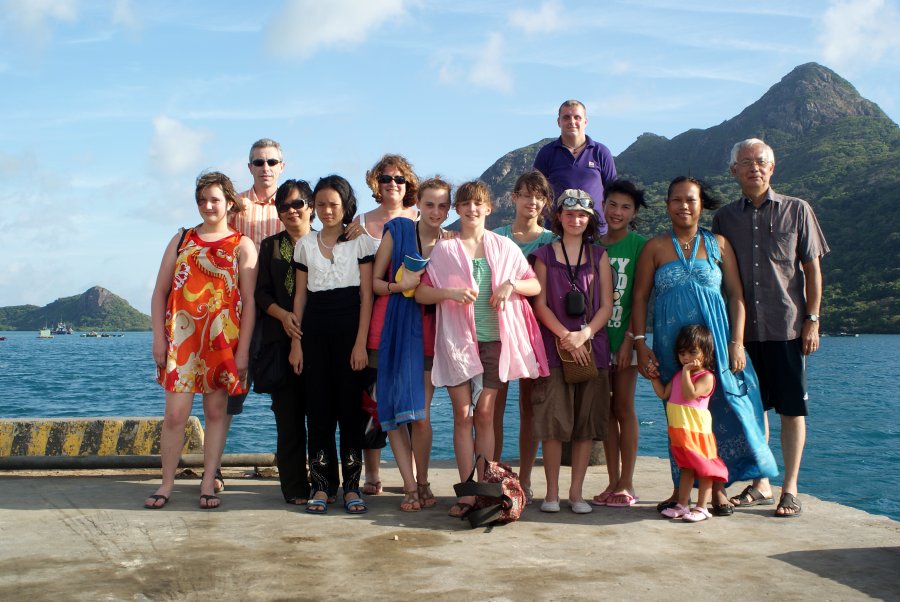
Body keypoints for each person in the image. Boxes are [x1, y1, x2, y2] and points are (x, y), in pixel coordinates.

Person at [632, 176, 778, 515]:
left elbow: (736, 296)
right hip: (672, 345)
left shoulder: (718, 244)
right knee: (680, 414)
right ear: (667, 205)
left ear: (701, 205)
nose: (683, 205)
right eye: (677, 199)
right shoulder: (654, 247)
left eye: (691, 200)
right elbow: (639, 298)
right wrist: (640, 344)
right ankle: (679, 490)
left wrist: (737, 342)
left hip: (715, 342)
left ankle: (718, 488)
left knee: (722, 412)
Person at [415, 180, 548, 519]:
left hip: (495, 342)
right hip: (457, 342)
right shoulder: (445, 250)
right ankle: (467, 493)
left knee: (485, 414)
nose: (472, 209)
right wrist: (449, 293)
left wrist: (511, 284)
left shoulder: (505, 247)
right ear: (457, 209)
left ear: (489, 208)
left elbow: (534, 284)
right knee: (463, 416)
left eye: (478, 204)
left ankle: (486, 490)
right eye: (465, 204)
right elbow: (421, 293)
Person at [713, 138, 829, 518]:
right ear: (734, 171)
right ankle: (761, 483)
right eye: (746, 162)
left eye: (761, 161)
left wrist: (812, 319)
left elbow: (812, 271)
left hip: (788, 327)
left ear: (772, 168)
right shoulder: (724, 219)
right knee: (753, 409)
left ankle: (790, 488)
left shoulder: (798, 210)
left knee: (792, 410)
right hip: (744, 333)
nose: (754, 168)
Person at [145, 171, 258, 510]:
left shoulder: (242, 244)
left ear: (229, 203)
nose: (208, 206)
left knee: (216, 413)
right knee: (175, 416)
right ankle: (166, 483)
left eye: (215, 200)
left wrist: (243, 351)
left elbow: (250, 302)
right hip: (182, 342)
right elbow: (160, 292)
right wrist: (158, 339)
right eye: (202, 200)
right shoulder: (182, 239)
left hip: (222, 341)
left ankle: (208, 482)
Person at [288, 175, 376, 515]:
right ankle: (322, 486)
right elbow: (300, 297)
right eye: (321, 204)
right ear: (314, 207)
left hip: (350, 330)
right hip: (314, 333)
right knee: (318, 411)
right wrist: (296, 344)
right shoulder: (305, 245)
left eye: (334, 205)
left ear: (345, 206)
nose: (327, 210)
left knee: (351, 412)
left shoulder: (361, 243)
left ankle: (352, 487)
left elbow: (366, 296)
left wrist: (360, 344)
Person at [370, 177, 452, 511]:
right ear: (418, 203)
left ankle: (423, 480)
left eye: (442, 206)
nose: (435, 211)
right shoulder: (398, 230)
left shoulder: (451, 243)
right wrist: (399, 285)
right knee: (393, 410)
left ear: (449, 209)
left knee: (420, 416)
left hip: (432, 334)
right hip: (392, 332)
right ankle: (409, 485)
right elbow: (375, 283)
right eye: (429, 204)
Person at [530, 189, 613, 514]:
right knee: (552, 424)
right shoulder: (543, 256)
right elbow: (540, 304)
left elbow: (606, 305)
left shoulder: (599, 256)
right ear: (559, 217)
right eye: (569, 213)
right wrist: (566, 336)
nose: (575, 220)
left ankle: (576, 493)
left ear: (589, 219)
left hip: (592, 348)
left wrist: (584, 335)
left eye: (582, 215)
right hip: (554, 348)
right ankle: (551, 493)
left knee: (584, 425)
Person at [218, 138, 286, 493]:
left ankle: (291, 466)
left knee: (286, 392)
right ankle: (213, 467)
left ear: (282, 166)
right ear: (249, 167)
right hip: (239, 308)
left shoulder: (294, 204)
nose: (266, 168)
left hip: (279, 308)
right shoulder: (236, 206)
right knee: (228, 392)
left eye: (272, 162)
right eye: (259, 162)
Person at [352, 154, 421, 496]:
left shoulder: (422, 218)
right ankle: (373, 473)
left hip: (416, 324)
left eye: (399, 179)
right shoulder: (360, 223)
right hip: (375, 321)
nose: (392, 184)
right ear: (375, 184)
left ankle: (415, 476)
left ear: (409, 185)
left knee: (412, 405)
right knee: (373, 403)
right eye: (385, 178)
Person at [491, 170, 556, 504]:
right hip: (498, 331)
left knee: (530, 409)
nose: (532, 201)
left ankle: (526, 479)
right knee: (493, 409)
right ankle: (494, 477)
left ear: (545, 202)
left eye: (539, 196)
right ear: (514, 197)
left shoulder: (552, 242)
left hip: (535, 334)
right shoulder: (496, 237)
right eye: (526, 194)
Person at [254, 180, 316, 506]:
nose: (291, 211)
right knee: (288, 419)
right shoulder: (271, 246)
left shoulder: (324, 242)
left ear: (311, 207)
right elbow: (261, 292)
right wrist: (283, 316)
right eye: (284, 207)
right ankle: (294, 487)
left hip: (318, 341)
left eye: (297, 204)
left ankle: (323, 481)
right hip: (279, 343)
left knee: (320, 418)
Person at [593, 180, 647, 508]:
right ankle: (612, 481)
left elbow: (641, 297)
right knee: (606, 412)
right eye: (612, 204)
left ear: (634, 213)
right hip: (598, 342)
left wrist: (630, 339)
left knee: (624, 408)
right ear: (603, 206)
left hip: (626, 339)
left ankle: (627, 482)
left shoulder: (640, 246)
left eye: (625, 207)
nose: (617, 212)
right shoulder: (593, 245)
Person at [650, 324, 728, 523]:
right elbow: (664, 394)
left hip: (698, 432)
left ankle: (702, 507)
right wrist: (653, 378)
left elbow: (689, 394)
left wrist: (685, 372)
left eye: (692, 352)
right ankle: (682, 504)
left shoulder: (707, 377)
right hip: (680, 432)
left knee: (704, 469)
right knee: (686, 468)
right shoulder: (678, 376)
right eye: (682, 353)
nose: (686, 358)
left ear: (705, 352)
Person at [533, 99, 617, 235]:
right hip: (557, 233)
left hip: (596, 233)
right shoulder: (547, 153)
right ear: (559, 122)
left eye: (577, 117)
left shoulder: (601, 152)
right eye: (566, 117)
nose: (572, 121)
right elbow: (536, 192)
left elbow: (613, 193)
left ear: (585, 121)